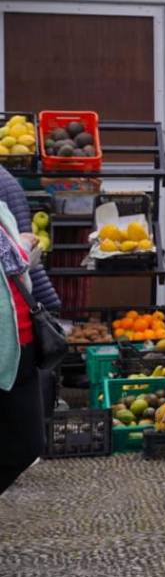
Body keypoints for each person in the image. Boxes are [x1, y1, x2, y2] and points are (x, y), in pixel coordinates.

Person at [0, 201, 43, 495]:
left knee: (29, 445)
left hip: (21, 345)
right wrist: (23, 247)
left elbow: (15, 266)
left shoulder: (3, 211)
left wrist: (23, 247)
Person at [0, 167, 59, 311]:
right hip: (21, 287)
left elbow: (17, 253)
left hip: (13, 299)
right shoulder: (6, 179)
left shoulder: (3, 184)